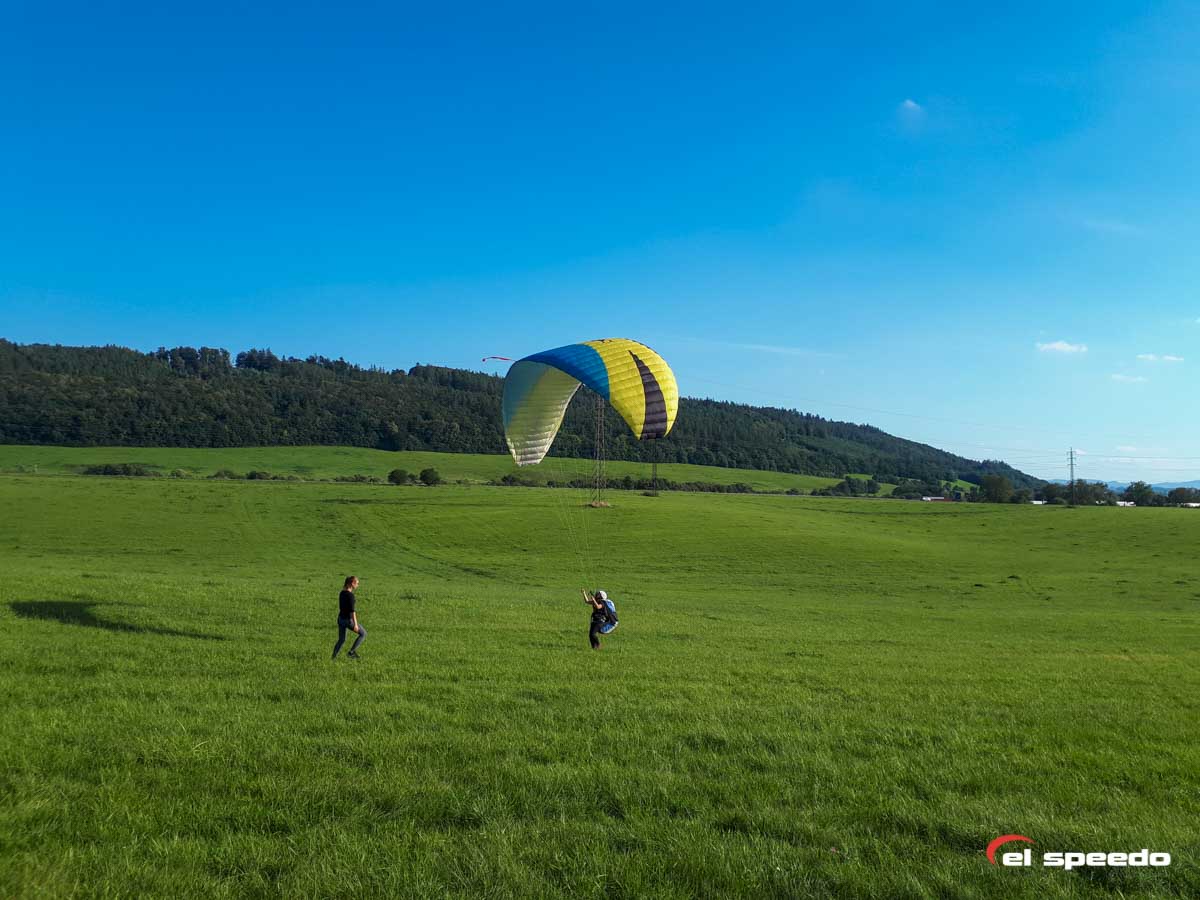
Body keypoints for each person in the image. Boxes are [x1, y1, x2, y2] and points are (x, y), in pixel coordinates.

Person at [332, 575, 367, 659]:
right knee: (363, 634)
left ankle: (333, 658)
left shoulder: (342, 593)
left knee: (341, 640)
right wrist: (355, 624)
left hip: (340, 619)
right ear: (352, 583)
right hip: (348, 620)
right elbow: (352, 612)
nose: (358, 585)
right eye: (357, 583)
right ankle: (351, 652)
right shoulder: (350, 596)